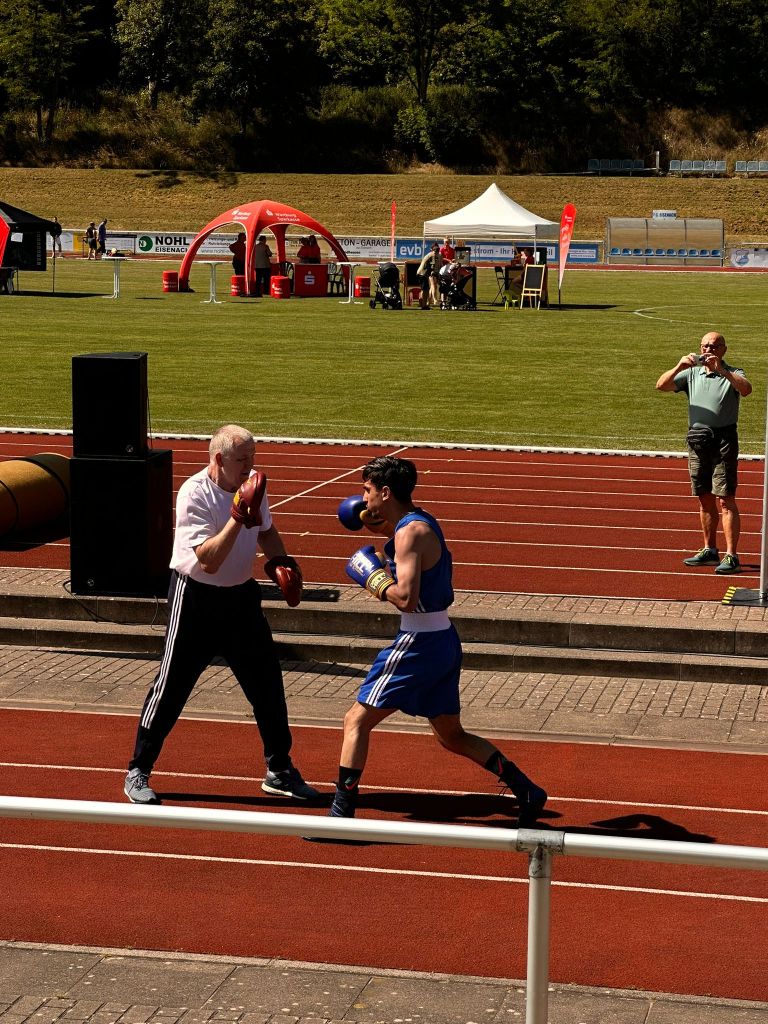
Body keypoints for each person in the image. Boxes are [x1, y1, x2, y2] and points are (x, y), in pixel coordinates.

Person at [326, 455, 547, 825]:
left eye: (367, 490)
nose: (363, 498)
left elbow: (405, 598)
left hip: (418, 641)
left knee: (356, 720)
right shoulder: (420, 520)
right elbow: (400, 545)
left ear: (385, 492)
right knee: (451, 735)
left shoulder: (408, 533)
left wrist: (371, 577)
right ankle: (526, 789)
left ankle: (340, 813)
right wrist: (374, 527)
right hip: (443, 638)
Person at [124, 424, 319, 805]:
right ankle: (138, 768)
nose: (250, 466)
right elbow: (208, 561)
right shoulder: (195, 493)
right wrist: (237, 515)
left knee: (267, 686)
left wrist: (283, 562)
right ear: (219, 459)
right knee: (171, 687)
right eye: (242, 459)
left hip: (240, 600)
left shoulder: (252, 485)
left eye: (253, 457)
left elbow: (266, 530)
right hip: (195, 599)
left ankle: (279, 769)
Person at [656, 331, 752, 575]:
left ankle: (732, 555)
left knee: (726, 499)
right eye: (705, 346)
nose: (708, 350)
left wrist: (722, 371)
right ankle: (710, 550)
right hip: (698, 440)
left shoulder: (734, 372)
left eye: (714, 346)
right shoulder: (691, 373)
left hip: (723, 441)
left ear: (723, 349)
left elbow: (746, 389)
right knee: (704, 497)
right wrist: (679, 366)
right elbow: (661, 385)